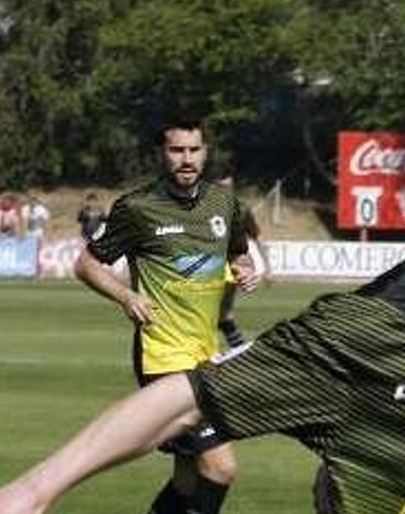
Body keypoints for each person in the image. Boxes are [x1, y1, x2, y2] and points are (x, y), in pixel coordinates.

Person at [0, 108, 405, 514]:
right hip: (173, 349)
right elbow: (185, 398)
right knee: (210, 467)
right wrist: (33, 489)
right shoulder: (356, 334)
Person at [66, 116, 260, 514]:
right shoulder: (138, 208)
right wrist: (124, 296)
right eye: (176, 150)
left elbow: (237, 251)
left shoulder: (224, 203)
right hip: (163, 356)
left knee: (187, 479)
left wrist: (243, 269)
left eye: (193, 150)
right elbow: (86, 264)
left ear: (205, 153)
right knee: (221, 467)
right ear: (161, 155)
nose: (186, 159)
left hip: (206, 355)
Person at [213, 165, 262, 349]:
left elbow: (257, 237)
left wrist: (267, 266)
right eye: (220, 188)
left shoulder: (242, 209)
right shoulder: (200, 209)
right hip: (206, 265)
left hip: (230, 266)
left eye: (227, 188)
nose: (223, 192)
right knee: (221, 316)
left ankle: (238, 352)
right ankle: (239, 352)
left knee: (222, 314)